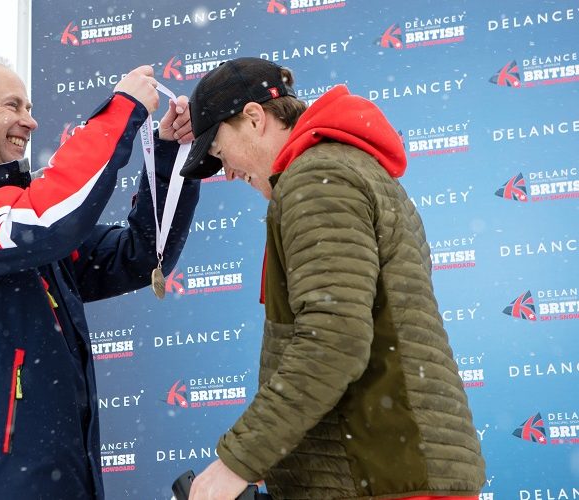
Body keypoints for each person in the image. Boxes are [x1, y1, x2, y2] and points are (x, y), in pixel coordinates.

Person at [178, 58, 485, 500]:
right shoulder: (345, 169)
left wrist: (237, 464)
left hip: (381, 473)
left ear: (254, 118)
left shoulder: (316, 180)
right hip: (393, 465)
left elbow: (333, 340)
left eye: (221, 153)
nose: (226, 172)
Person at [0, 57, 200, 499]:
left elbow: (138, 255)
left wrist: (170, 151)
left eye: (29, 107)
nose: (30, 121)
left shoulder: (24, 221)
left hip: (60, 481)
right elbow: (47, 215)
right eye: (13, 106)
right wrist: (121, 111)